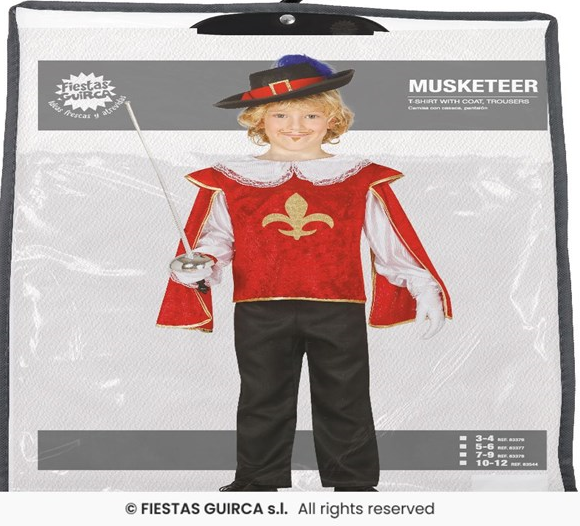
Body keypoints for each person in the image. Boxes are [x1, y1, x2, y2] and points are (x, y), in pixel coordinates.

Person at [156, 54, 452, 492]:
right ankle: (257, 480)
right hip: (259, 307)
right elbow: (218, 239)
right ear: (259, 119)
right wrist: (200, 264)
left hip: (338, 305)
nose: (296, 126)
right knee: (262, 396)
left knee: (346, 396)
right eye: (281, 115)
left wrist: (424, 286)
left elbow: (391, 242)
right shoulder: (233, 178)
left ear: (332, 119)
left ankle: (352, 483)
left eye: (311, 114)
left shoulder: (356, 177)